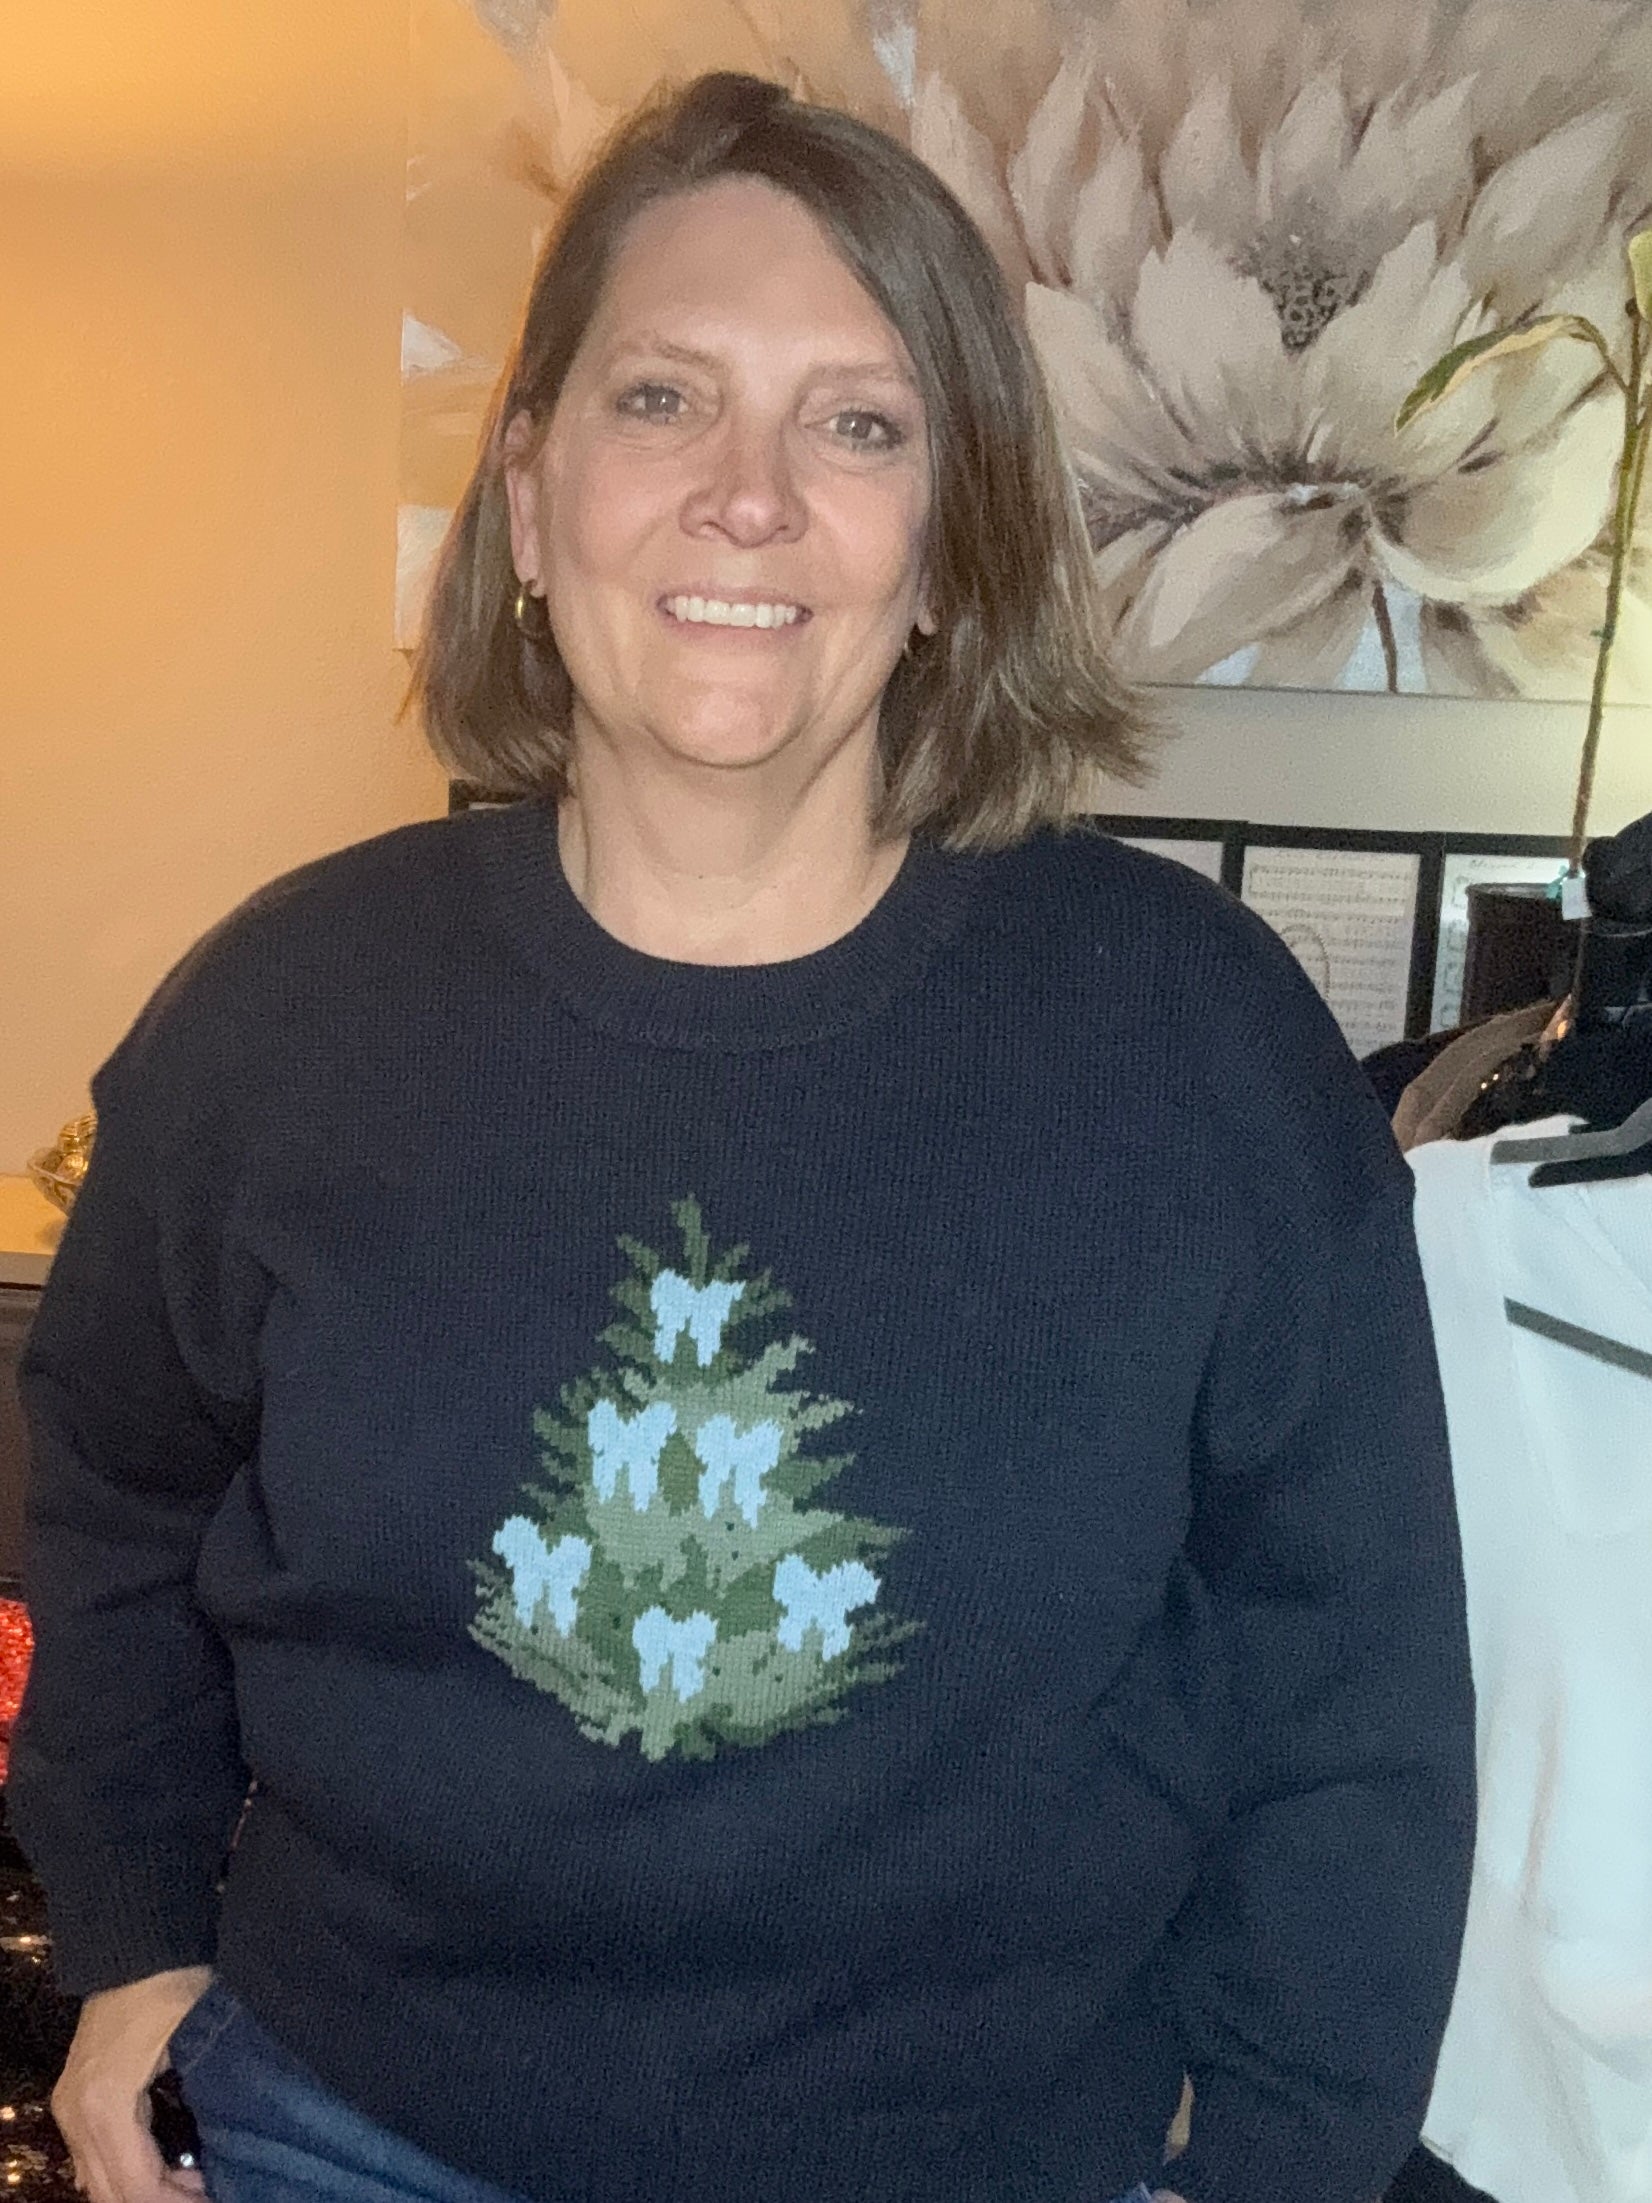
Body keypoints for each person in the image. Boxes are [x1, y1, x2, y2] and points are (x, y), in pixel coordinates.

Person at [12, 70, 1475, 2203]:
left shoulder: (1197, 1045)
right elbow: (120, 1498)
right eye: (663, 399)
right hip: (355, 2135)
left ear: (950, 548)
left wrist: (1279, 2159)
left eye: (859, 425)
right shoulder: (280, 1016)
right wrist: (130, 1927)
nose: (749, 498)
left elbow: (1354, 1676)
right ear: (530, 503)